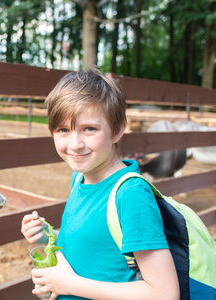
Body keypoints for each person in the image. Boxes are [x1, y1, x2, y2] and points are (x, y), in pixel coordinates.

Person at [21, 68, 179, 300]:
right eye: (63, 130)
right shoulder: (80, 178)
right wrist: (48, 236)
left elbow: (165, 293)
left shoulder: (130, 195)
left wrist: (70, 285)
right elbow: (96, 242)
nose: (75, 144)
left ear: (117, 130)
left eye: (89, 129)